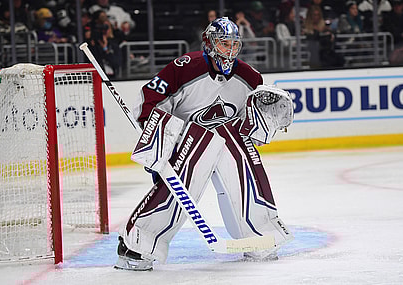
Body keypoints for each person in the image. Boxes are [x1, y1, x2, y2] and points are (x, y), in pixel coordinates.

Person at [115, 17, 294, 271]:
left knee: (239, 149)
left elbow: (247, 124)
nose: (229, 51)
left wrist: (261, 124)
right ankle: (138, 242)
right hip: (183, 144)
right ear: (209, 43)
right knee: (199, 149)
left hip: (225, 143)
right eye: (223, 44)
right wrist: (157, 140)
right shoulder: (185, 67)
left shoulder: (249, 77)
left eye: (234, 45)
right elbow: (148, 101)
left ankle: (260, 235)